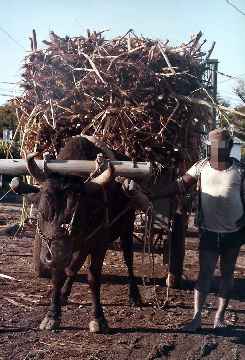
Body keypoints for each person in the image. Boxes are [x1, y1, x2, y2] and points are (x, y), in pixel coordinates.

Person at [158, 128, 244, 331]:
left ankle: (219, 316)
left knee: (227, 274)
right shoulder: (201, 167)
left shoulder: (240, 171)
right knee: (204, 274)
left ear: (229, 147)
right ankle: (196, 318)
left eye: (220, 147)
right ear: (208, 148)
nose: (216, 151)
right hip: (208, 231)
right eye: (212, 147)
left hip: (233, 233)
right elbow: (180, 185)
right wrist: (155, 194)